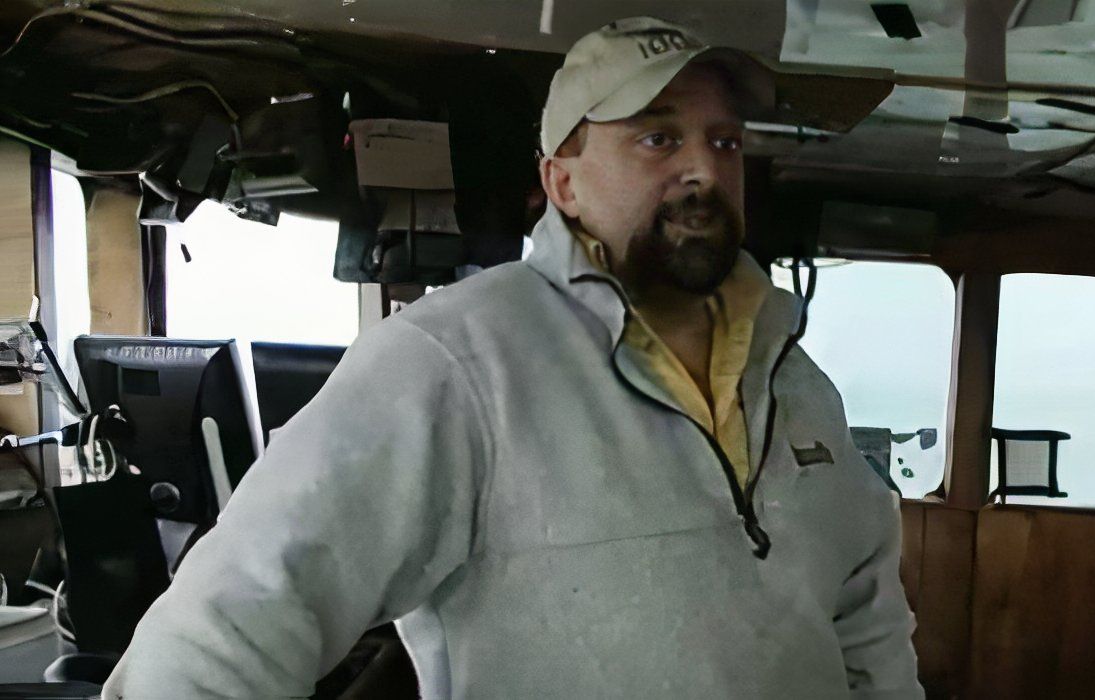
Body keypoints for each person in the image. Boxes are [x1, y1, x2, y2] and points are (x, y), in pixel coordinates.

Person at [104, 17, 920, 699]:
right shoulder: (454, 361)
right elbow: (234, 618)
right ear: (561, 182)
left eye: (726, 142)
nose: (704, 168)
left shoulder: (796, 379)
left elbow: (865, 617)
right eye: (658, 137)